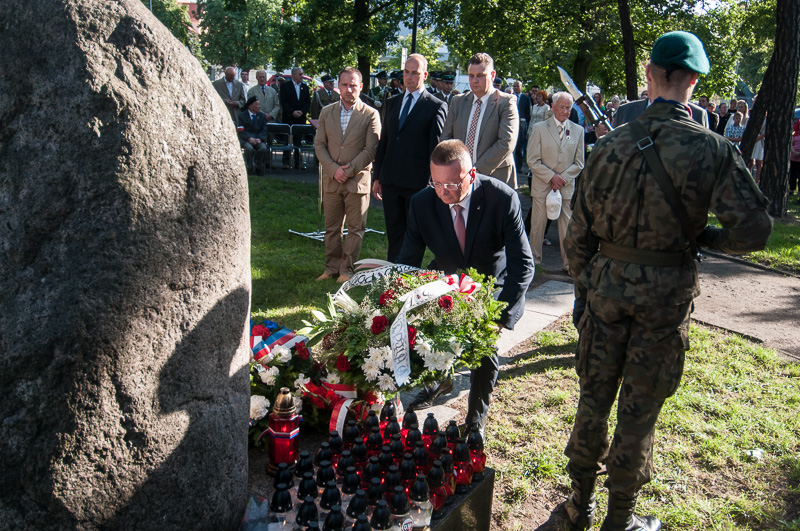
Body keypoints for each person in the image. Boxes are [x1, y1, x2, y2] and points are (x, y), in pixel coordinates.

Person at [562, 31, 771, 531]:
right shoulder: (712, 149)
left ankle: (578, 505)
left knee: (593, 397)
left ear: (649, 77)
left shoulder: (607, 146)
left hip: (607, 290)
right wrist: (703, 237)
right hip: (665, 296)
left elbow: (577, 235)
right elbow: (755, 230)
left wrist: (586, 288)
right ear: (694, 81)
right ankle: (620, 518)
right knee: (639, 409)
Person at [395, 139, 534, 434]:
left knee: (483, 352)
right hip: (445, 279)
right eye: (436, 183)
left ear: (471, 175)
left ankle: (475, 419)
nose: (444, 191)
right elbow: (407, 262)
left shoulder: (502, 199)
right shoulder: (422, 203)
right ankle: (439, 378)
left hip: (488, 284)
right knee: (422, 330)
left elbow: (523, 266)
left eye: (452, 184)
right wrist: (400, 302)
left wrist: (500, 317)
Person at [372, 54, 447, 263]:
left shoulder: (436, 106)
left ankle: (407, 278)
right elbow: (385, 141)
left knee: (413, 235)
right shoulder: (392, 102)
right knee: (394, 232)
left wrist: (432, 184)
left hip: (417, 184)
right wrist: (377, 177)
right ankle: (392, 276)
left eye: (415, 73)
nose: (409, 77)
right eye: (406, 72)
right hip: (390, 181)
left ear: (424, 75)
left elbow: (436, 150)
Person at [313, 67, 381, 283]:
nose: (349, 89)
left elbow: (371, 149)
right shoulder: (326, 112)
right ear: (338, 87)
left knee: (355, 229)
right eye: (345, 84)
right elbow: (319, 144)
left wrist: (349, 170)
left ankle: (347, 270)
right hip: (331, 181)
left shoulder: (371, 114)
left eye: (353, 85)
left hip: (357, 181)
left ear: (361, 87)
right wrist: (333, 170)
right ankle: (331, 268)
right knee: (331, 228)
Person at [526, 91, 585, 274]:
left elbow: (579, 163)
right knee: (538, 226)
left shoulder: (578, 130)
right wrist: (551, 177)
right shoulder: (540, 128)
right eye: (562, 107)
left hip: (565, 187)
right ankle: (534, 262)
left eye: (569, 107)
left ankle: (569, 264)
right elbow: (532, 160)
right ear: (553, 106)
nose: (566, 111)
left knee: (567, 228)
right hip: (542, 185)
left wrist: (562, 179)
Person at [441, 53, 520, 188]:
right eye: (471, 76)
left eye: (480, 75)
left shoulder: (506, 102)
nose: (475, 80)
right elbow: (446, 139)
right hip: (460, 178)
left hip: (495, 177)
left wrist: (475, 170)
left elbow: (506, 142)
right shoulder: (458, 102)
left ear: (492, 75)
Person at [280, 67, 311, 169]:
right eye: (300, 74)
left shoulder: (305, 87)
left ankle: (298, 162)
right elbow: (283, 101)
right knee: (286, 140)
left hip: (300, 118)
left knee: (298, 141)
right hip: (288, 117)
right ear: (293, 75)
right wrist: (292, 112)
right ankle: (286, 162)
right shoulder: (285, 86)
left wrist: (302, 111)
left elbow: (307, 102)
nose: (302, 76)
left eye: (302, 74)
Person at [238, 96, 269, 175]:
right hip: (246, 139)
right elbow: (240, 130)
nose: (259, 106)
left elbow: (264, 129)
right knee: (249, 148)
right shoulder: (242, 115)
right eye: (257, 105)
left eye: (259, 104)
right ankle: (249, 167)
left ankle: (259, 167)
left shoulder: (262, 116)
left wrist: (260, 139)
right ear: (250, 106)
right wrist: (249, 138)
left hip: (258, 138)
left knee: (263, 148)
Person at [513, 80, 533, 174]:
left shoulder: (526, 98)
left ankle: (519, 166)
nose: (516, 87)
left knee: (520, 146)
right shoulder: (510, 97)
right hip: (512, 123)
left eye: (518, 86)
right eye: (515, 86)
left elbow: (529, 113)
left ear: (521, 87)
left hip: (521, 124)